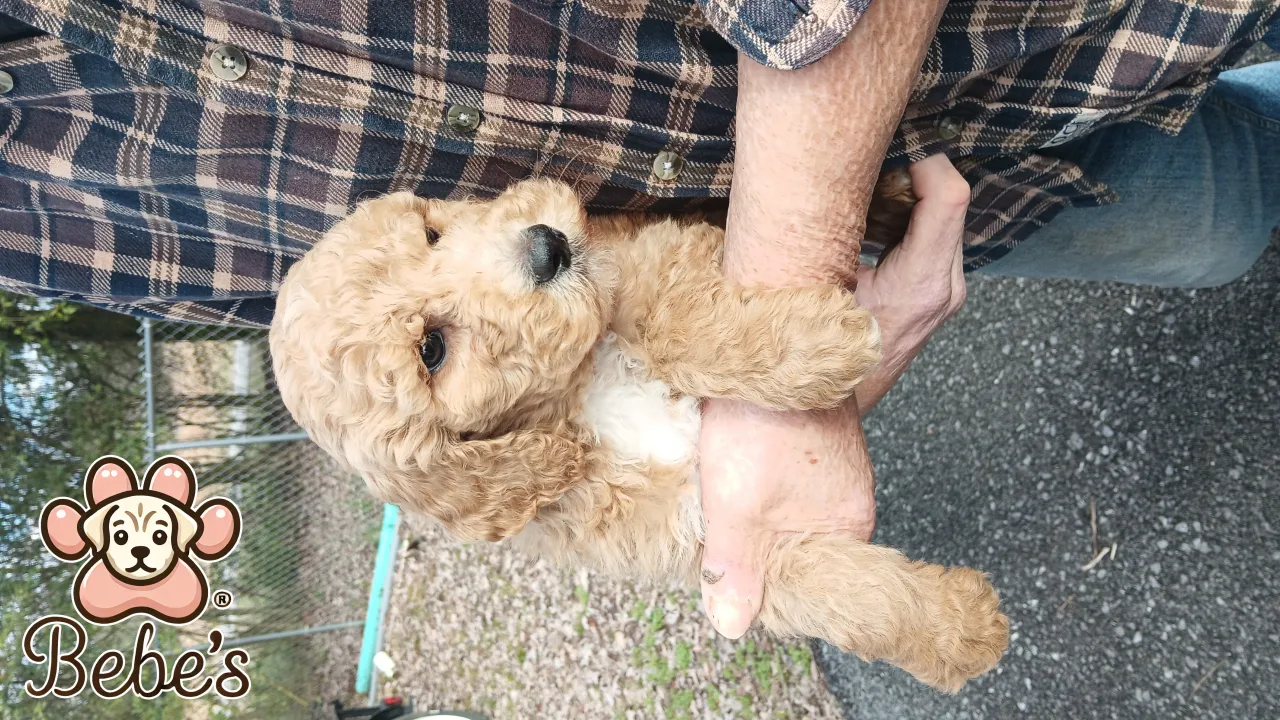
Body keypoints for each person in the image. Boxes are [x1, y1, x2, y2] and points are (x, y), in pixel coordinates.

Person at [0, 0, 1274, 642]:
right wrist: (746, 421)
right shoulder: (30, 224)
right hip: (948, 200)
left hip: (986, 41)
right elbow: (385, 406)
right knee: (1224, 216)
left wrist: (786, 291)